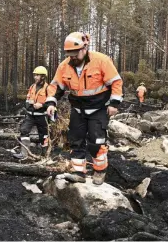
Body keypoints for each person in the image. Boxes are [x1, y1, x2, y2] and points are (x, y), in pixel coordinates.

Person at [45, 32, 123, 185]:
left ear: (85, 48)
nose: (72, 57)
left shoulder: (101, 61)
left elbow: (116, 82)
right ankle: (78, 172)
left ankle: (100, 171)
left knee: (97, 142)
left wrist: (114, 104)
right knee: (76, 140)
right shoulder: (64, 66)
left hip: (99, 108)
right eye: (69, 53)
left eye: (75, 53)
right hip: (78, 109)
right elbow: (55, 87)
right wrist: (51, 104)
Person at [13, 66, 50, 160]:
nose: (35, 77)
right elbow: (27, 99)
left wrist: (42, 105)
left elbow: (51, 102)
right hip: (30, 115)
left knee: (44, 135)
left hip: (42, 116)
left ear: (43, 76)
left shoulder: (48, 88)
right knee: (24, 130)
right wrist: (29, 105)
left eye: (37, 75)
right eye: (35, 75)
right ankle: (24, 153)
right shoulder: (32, 87)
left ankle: (44, 155)